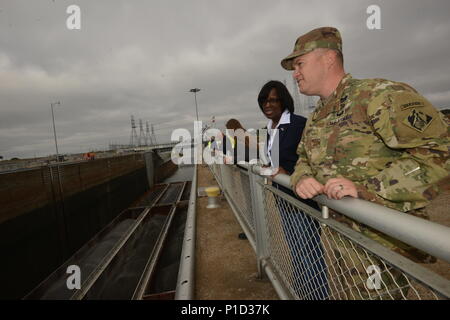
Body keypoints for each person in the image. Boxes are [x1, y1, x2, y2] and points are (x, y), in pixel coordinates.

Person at [281, 26, 449, 298]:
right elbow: (303, 159)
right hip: (341, 240)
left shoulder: (377, 95)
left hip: (381, 244)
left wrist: (368, 188)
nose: (294, 73)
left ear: (328, 59)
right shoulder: (317, 116)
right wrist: (301, 178)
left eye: (299, 63)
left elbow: (441, 152)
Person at [257, 80, 329, 299]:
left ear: (284, 101)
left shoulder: (299, 124)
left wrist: (288, 174)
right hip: (283, 199)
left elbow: (312, 160)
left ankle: (318, 296)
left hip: (301, 201)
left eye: (273, 99)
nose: (267, 104)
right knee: (295, 251)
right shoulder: (270, 129)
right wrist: (272, 169)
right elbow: (280, 160)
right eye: (264, 100)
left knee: (309, 253)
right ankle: (302, 292)